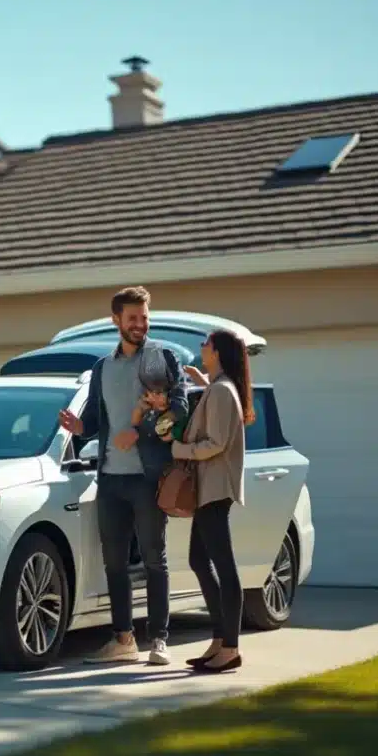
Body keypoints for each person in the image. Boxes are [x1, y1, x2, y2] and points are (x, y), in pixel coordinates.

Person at [59, 286, 189, 665]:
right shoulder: (103, 368)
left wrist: (143, 430)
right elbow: (101, 423)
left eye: (145, 317)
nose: (140, 325)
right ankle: (124, 639)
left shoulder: (161, 359)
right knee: (114, 562)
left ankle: (159, 641)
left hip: (148, 478)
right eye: (132, 318)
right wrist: (80, 426)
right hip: (110, 479)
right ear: (116, 320)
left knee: (153, 560)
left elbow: (179, 408)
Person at [169, 329, 253, 674]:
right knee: (198, 560)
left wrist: (179, 450)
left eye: (205, 344)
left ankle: (230, 646)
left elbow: (216, 442)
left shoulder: (220, 391)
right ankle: (220, 640)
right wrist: (204, 381)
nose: (201, 347)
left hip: (215, 489)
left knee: (224, 567)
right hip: (210, 488)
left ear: (217, 352)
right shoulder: (219, 386)